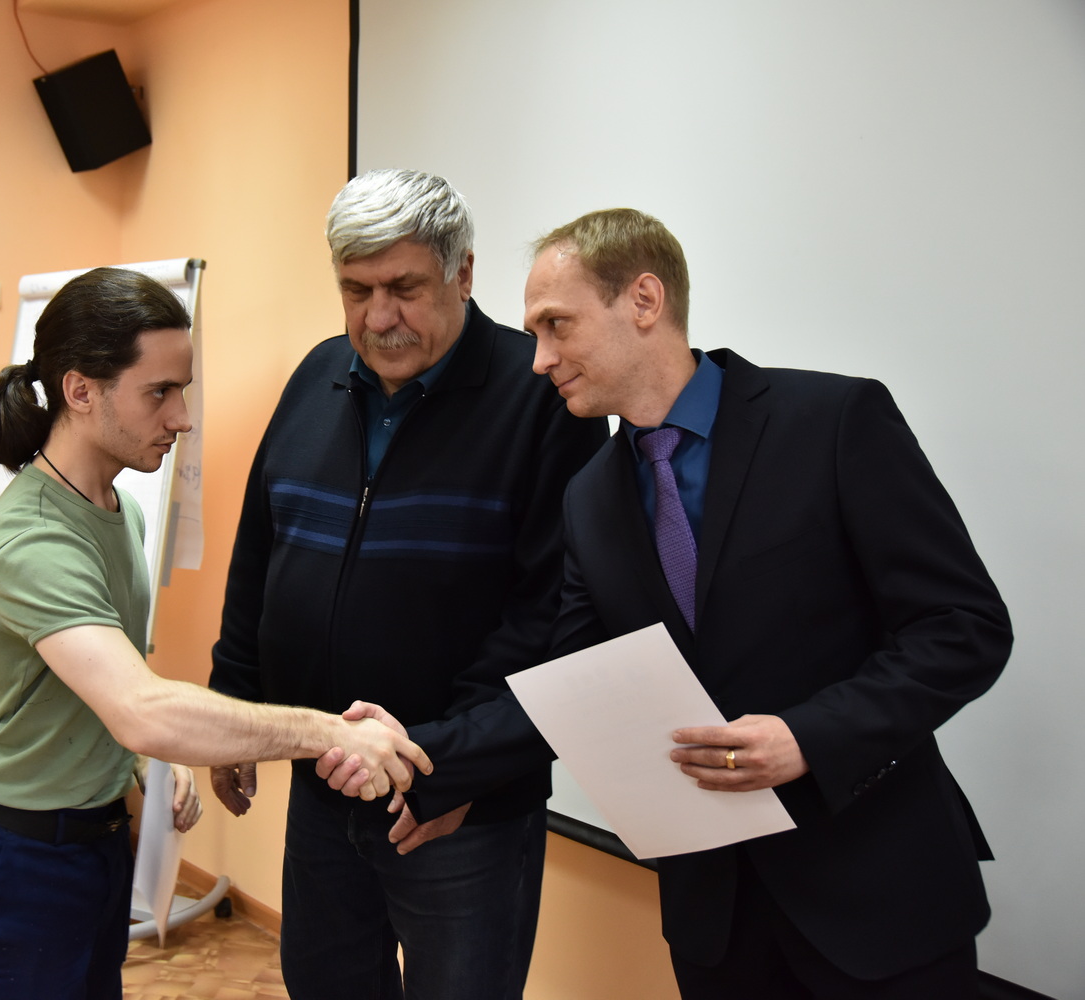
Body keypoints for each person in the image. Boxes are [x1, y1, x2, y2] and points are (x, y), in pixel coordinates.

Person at [327, 208, 1013, 998]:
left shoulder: (831, 423)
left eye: (557, 326)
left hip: (877, 896)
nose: (539, 359)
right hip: (717, 920)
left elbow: (962, 628)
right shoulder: (590, 497)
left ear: (644, 301)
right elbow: (573, 689)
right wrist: (423, 752)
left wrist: (809, 737)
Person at [0, 266, 431, 1000]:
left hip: (96, 844)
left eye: (183, 389)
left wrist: (138, 767)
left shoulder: (120, 511)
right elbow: (139, 707)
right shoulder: (32, 543)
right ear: (80, 391)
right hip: (20, 856)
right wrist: (331, 733)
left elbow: (100, 691)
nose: (183, 417)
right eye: (159, 392)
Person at [206, 170, 607, 999]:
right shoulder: (318, 375)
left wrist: (448, 766)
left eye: (404, 288)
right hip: (324, 779)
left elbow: (550, 616)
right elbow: (260, 553)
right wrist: (235, 706)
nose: (378, 318)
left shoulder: (540, 397)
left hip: (460, 809)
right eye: (355, 292)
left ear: (463, 274)